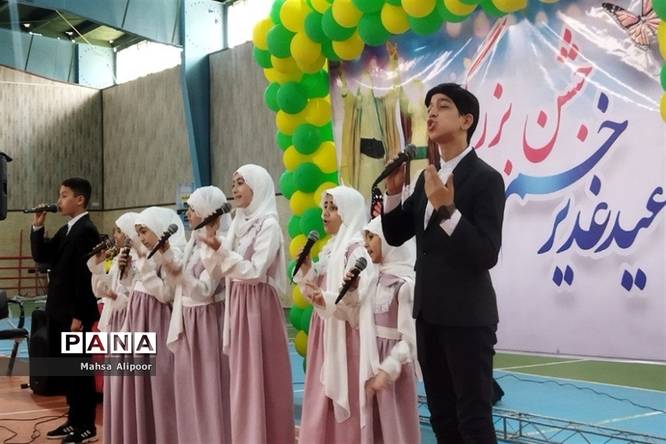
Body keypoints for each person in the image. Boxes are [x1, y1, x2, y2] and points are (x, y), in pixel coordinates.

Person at [381, 83, 506, 443]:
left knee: (473, 420)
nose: (432, 113)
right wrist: (393, 192)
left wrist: (447, 210)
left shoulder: (486, 178)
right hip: (428, 315)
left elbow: (486, 253)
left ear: (466, 120)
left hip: (467, 317)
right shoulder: (428, 178)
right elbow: (395, 234)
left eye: (443, 106)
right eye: (429, 107)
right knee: (442, 417)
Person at [200, 165, 294, 444]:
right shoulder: (237, 224)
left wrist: (221, 251)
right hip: (238, 303)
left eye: (241, 182)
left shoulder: (268, 225)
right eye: (233, 183)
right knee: (242, 379)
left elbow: (254, 270)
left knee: (262, 377)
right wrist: (211, 247)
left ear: (258, 186)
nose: (235, 189)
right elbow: (217, 270)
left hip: (257, 307)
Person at [294, 185, 371, 444]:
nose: (325, 213)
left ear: (349, 211)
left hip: (345, 335)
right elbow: (316, 284)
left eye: (333, 208)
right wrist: (308, 268)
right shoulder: (331, 248)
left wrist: (324, 298)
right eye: (324, 207)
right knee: (321, 397)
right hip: (325, 330)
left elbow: (358, 301)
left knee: (346, 393)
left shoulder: (356, 249)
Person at [30, 177, 100, 444]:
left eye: (64, 195)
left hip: (74, 316)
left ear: (79, 200)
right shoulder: (67, 229)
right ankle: (73, 420)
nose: (58, 201)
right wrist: (38, 226)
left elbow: (85, 277)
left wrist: (79, 316)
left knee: (79, 371)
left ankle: (86, 425)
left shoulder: (86, 231)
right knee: (68, 371)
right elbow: (43, 256)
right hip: (59, 312)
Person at [163, 186, 232, 444]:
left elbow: (205, 290)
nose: (188, 214)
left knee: (208, 389)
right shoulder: (194, 241)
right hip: (189, 321)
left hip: (207, 322)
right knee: (188, 389)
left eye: (192, 209)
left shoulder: (219, 244)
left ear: (206, 212)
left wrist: (180, 275)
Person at [120, 207, 185, 444]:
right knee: (140, 385)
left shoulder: (171, 254)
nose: (142, 237)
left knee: (160, 386)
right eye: (139, 232)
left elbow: (166, 294)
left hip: (156, 322)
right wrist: (126, 270)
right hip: (138, 320)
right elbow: (131, 288)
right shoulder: (146, 254)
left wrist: (145, 269)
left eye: (145, 231)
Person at [358, 216, 420, 444]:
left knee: (395, 428)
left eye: (372, 237)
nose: (366, 243)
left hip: (393, 370)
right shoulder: (372, 280)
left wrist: (389, 368)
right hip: (372, 362)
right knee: (375, 428)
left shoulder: (404, 286)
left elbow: (410, 340)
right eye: (365, 237)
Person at [86, 212, 139, 444]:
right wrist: (98, 268)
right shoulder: (118, 259)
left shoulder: (137, 261)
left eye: (118, 231)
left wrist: (115, 296)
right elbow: (103, 289)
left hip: (128, 323)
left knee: (128, 381)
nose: (115, 235)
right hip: (115, 321)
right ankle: (119, 432)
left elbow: (134, 298)